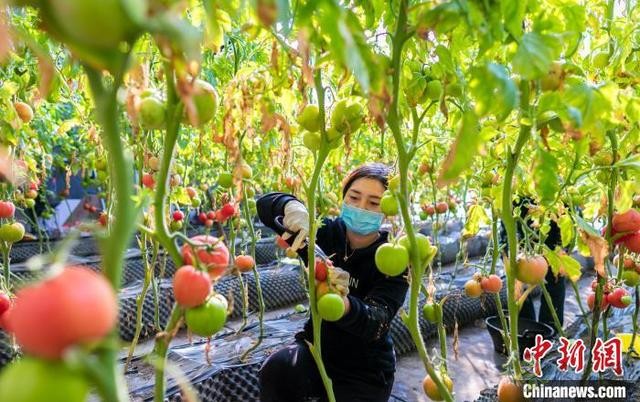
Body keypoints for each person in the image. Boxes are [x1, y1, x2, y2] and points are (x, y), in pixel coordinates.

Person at [257, 162, 409, 402]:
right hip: (318, 349)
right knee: (276, 369)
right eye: (354, 197)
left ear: (389, 209)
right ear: (344, 198)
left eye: (373, 203)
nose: (361, 207)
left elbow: (377, 322)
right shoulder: (324, 233)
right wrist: (290, 206)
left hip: (364, 370)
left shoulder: (397, 258)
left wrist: (343, 302)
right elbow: (264, 205)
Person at [500, 196, 566, 327]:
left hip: (553, 235)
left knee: (555, 281)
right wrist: (511, 247)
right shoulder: (515, 188)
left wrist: (562, 245)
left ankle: (550, 332)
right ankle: (525, 328)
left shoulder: (557, 188)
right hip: (517, 234)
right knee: (517, 285)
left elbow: (566, 215)